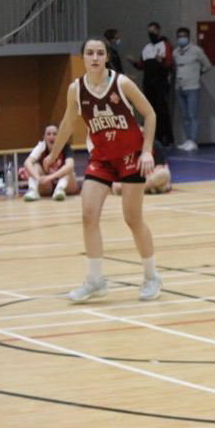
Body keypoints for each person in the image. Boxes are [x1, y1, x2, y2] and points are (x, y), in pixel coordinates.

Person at [45, 37, 163, 303]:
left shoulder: (121, 83)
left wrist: (147, 151)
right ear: (83, 57)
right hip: (101, 158)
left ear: (107, 57)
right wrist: (53, 154)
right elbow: (67, 123)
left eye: (100, 53)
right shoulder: (76, 89)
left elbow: (150, 114)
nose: (95, 57)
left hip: (130, 156)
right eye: (90, 53)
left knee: (132, 219)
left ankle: (151, 276)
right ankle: (96, 280)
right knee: (88, 215)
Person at [128, 21, 174, 147]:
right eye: (149, 31)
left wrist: (161, 62)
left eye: (153, 31)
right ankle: (152, 137)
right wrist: (134, 62)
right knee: (149, 110)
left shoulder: (165, 45)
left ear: (158, 31)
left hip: (160, 83)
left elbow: (169, 64)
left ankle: (165, 137)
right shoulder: (146, 48)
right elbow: (142, 66)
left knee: (162, 110)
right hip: (148, 83)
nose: (151, 33)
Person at [173, 27, 212, 151]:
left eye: (184, 36)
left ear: (188, 37)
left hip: (192, 87)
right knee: (184, 116)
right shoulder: (175, 52)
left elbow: (208, 65)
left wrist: (197, 74)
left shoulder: (196, 50)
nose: (181, 38)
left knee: (192, 115)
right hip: (179, 87)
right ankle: (188, 139)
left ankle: (194, 141)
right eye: (179, 36)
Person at [22, 124, 80, 201]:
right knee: (35, 166)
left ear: (59, 137)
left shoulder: (65, 147)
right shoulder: (41, 147)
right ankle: (33, 190)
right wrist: (38, 178)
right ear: (44, 137)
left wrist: (50, 177)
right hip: (47, 186)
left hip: (66, 185)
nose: (51, 136)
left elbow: (70, 165)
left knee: (68, 170)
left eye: (55, 134)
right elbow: (27, 162)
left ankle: (59, 190)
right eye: (48, 134)